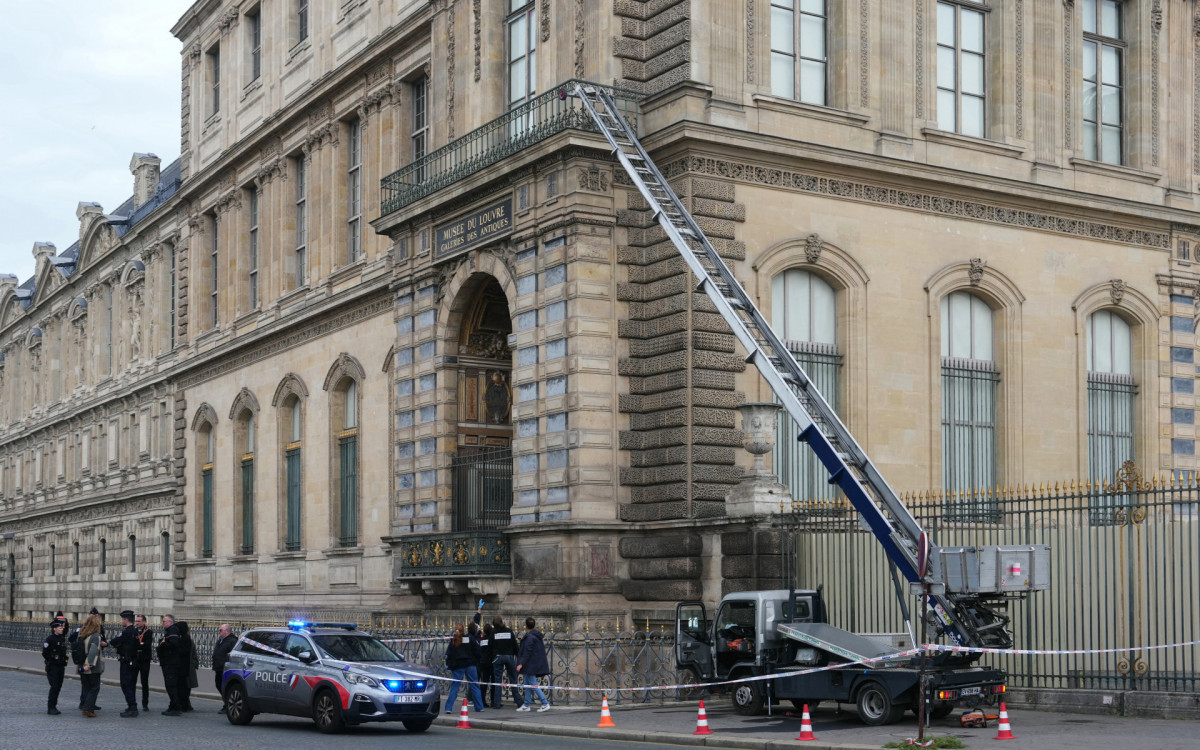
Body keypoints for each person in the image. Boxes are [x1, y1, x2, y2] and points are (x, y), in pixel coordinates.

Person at [443, 623, 485, 714]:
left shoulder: (454, 640)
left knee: (455, 686)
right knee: (475, 686)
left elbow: (449, 654)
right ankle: (479, 707)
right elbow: (478, 650)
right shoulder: (470, 638)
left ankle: (448, 708)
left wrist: (450, 665)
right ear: (464, 630)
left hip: (458, 665)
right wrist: (476, 660)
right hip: (470, 664)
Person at [107, 610, 141, 717]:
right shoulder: (135, 631)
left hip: (127, 662)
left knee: (126, 684)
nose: (122, 621)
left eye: (123, 619)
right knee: (130, 685)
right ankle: (132, 706)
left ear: (126, 619)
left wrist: (118, 645)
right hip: (133, 661)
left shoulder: (127, 632)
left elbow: (114, 641)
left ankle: (133, 707)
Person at [515, 616, 550, 712]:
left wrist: (521, 664)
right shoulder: (535, 636)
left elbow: (527, 652)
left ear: (526, 626)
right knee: (527, 685)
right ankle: (526, 704)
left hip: (530, 665)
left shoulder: (530, 637)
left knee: (533, 685)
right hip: (531, 664)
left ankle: (545, 703)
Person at [77, 613, 105, 718]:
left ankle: (86, 705)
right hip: (91, 666)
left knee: (86, 687)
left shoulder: (81, 634)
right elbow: (93, 651)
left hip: (81, 664)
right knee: (94, 687)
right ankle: (88, 709)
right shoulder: (95, 636)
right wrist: (89, 665)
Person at [491, 614, 521, 708]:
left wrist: (493, 657)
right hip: (509, 656)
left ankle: (497, 703)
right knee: (513, 679)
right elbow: (515, 645)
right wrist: (518, 656)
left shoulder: (494, 633)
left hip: (498, 657)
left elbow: (490, 645)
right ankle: (518, 701)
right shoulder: (509, 631)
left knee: (498, 681)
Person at [156, 614, 183, 716]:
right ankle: (172, 705)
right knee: (170, 685)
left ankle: (176, 707)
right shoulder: (170, 631)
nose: (162, 623)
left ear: (170, 622)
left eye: (164, 621)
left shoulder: (173, 631)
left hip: (171, 663)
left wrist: (162, 644)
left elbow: (173, 645)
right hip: (168, 662)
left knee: (171, 685)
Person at [42, 617, 69, 715]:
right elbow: (45, 653)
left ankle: (54, 705)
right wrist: (51, 659)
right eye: (60, 627)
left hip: (61, 666)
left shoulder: (62, 638)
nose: (62, 629)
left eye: (62, 627)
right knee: (54, 686)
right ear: (55, 629)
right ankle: (51, 707)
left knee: (58, 686)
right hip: (53, 666)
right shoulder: (50, 639)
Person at [212, 624, 237, 713]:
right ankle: (227, 703)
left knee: (224, 687)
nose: (219, 632)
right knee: (219, 685)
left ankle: (228, 705)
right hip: (218, 667)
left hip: (225, 668)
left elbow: (232, 655)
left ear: (227, 631)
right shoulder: (221, 640)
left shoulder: (232, 641)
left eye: (220, 630)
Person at [134, 614, 154, 710]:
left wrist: (139, 644)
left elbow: (146, 645)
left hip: (145, 660)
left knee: (144, 682)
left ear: (144, 622)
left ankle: (145, 704)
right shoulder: (133, 631)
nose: (137, 623)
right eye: (136, 621)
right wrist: (140, 644)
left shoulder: (148, 632)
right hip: (135, 659)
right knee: (132, 681)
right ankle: (132, 703)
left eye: (139, 621)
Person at [177, 620, 198, 711]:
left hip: (187, 667)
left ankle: (185, 704)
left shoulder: (186, 640)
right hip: (187, 667)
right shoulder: (184, 638)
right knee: (184, 686)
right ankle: (186, 704)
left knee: (185, 687)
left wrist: (194, 663)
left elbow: (192, 654)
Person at [479, 621, 495, 709]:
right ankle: (493, 700)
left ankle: (482, 700)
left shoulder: (482, 639)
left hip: (483, 662)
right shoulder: (491, 639)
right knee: (493, 682)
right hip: (491, 662)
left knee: (484, 682)